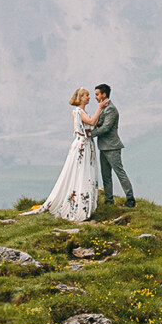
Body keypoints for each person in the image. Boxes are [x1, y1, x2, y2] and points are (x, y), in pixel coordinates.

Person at [31, 87, 100, 221]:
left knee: (80, 172)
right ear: (81, 98)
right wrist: (100, 108)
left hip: (83, 143)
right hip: (83, 144)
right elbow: (91, 122)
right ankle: (80, 206)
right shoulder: (79, 111)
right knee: (81, 172)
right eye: (86, 95)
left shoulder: (79, 111)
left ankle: (81, 203)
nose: (89, 97)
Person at [86, 83, 133, 209]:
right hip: (104, 147)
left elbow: (106, 128)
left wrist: (90, 134)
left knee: (119, 173)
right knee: (106, 175)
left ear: (104, 94)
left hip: (112, 147)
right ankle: (108, 200)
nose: (95, 97)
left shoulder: (111, 109)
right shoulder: (103, 108)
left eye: (97, 94)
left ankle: (130, 199)